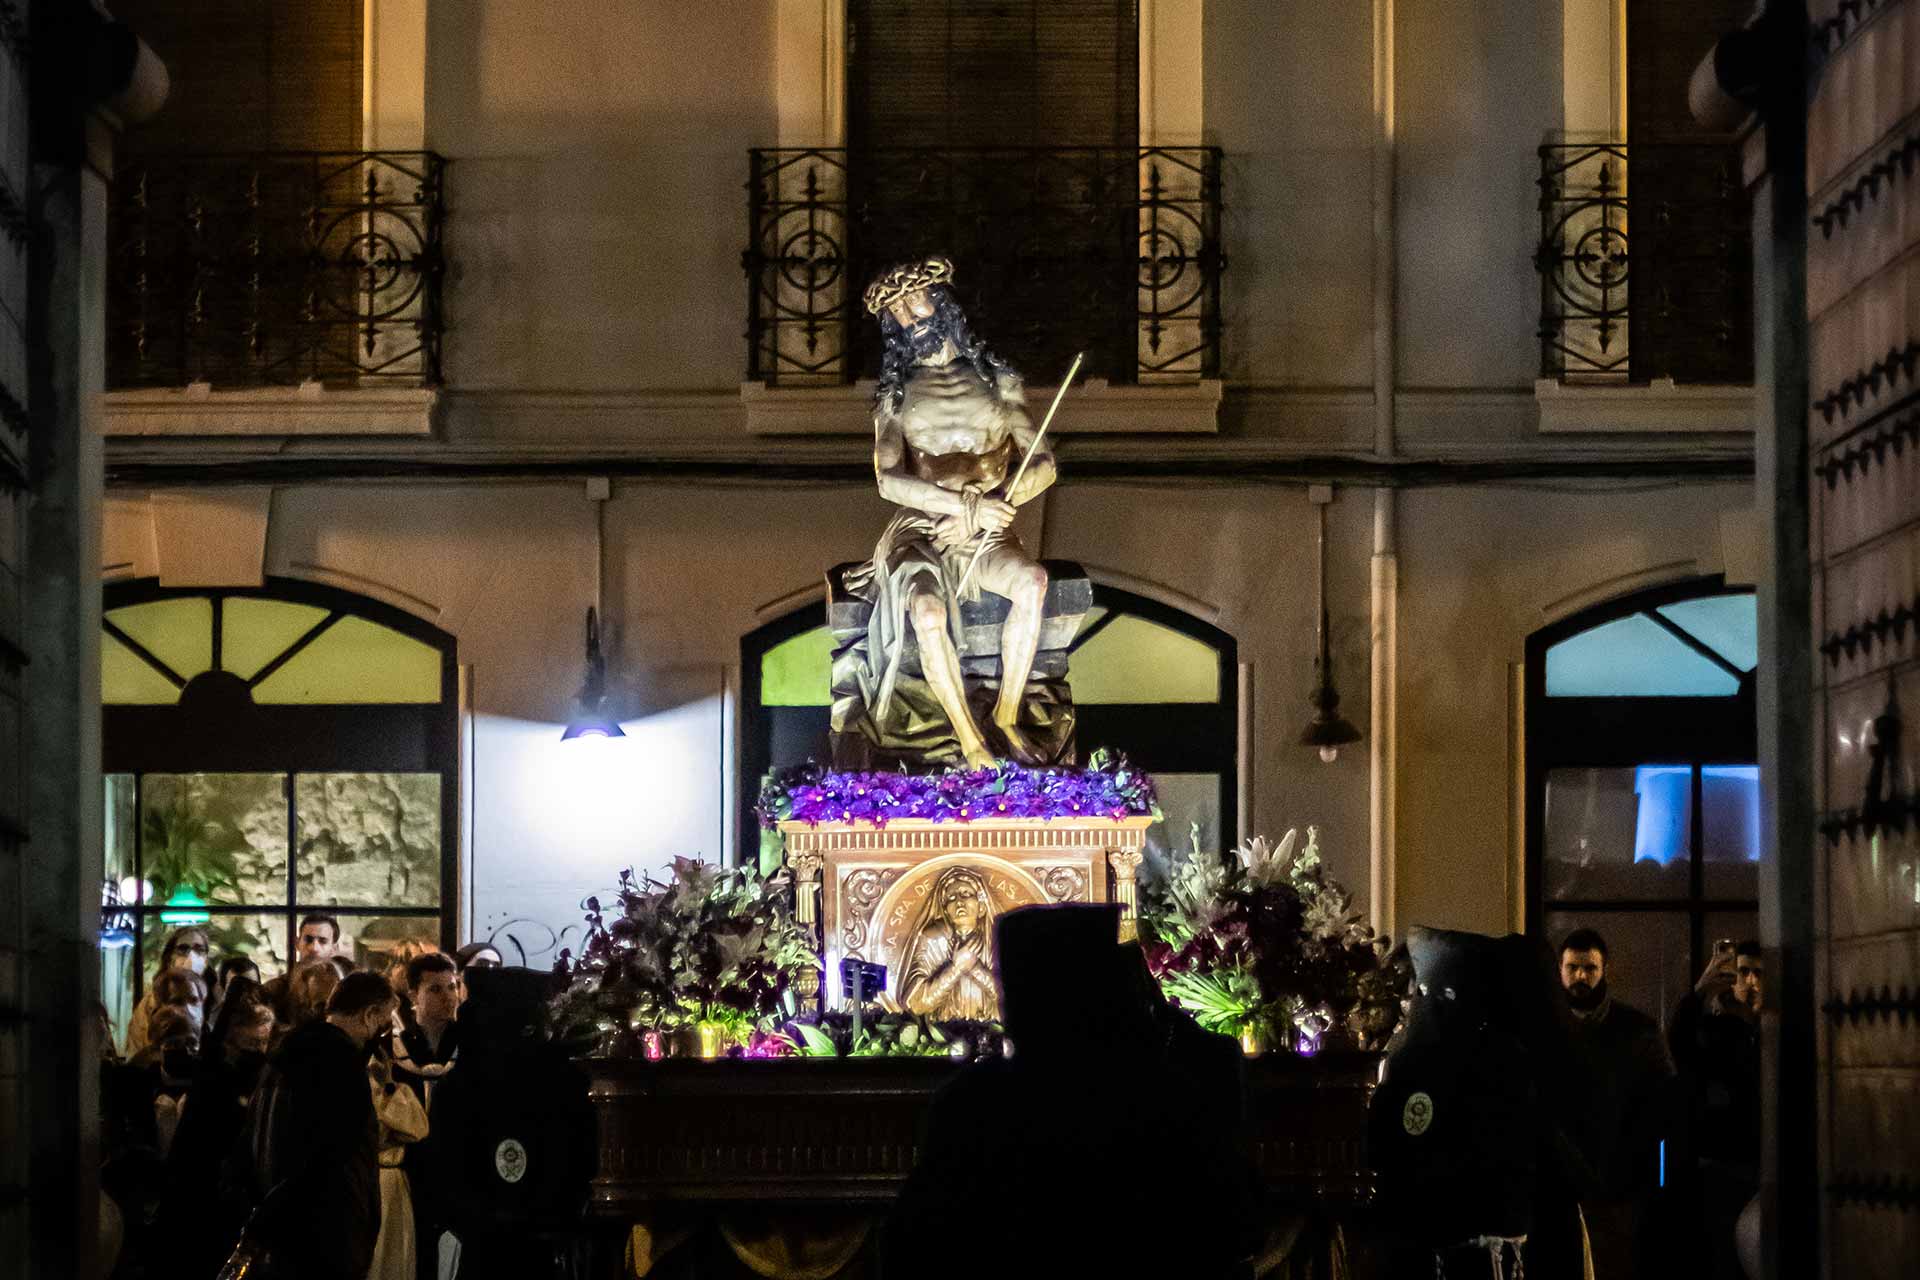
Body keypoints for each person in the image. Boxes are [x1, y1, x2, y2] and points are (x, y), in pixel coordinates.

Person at [886, 903, 1260, 1279]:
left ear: (1024, 1002)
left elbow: (910, 1248)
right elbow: (1236, 1229)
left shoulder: (974, 1104)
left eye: (1006, 986)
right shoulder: (1165, 1096)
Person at [847, 257, 1058, 767]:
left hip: (987, 529)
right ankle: (969, 739)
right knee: (926, 610)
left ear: (943, 303)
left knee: (1032, 582)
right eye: (896, 310)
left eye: (915, 299)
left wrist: (1003, 502)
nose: (908, 315)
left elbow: (1045, 464)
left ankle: (1007, 714)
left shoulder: (998, 383)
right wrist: (964, 508)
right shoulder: (894, 400)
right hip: (924, 531)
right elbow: (888, 480)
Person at [231, 970, 397, 1280]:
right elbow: (333, 1154)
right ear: (369, 1015)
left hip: (283, 1229)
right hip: (328, 1231)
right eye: (384, 1021)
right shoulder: (342, 1063)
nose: (383, 1032)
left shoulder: (281, 1059)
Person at [1557, 928, 1676, 1278]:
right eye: (1573, 968)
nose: (1581, 976)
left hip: (1618, 1184)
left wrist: (1646, 1170)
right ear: (1560, 970)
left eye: (1589, 969)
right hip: (1566, 1182)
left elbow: (1665, 1106)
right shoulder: (1547, 1028)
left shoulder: (1638, 1031)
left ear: (1604, 970)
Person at [164, 980, 276, 1277]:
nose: (260, 1051)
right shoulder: (216, 1076)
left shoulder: (259, 1074)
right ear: (234, 1039)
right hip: (206, 1187)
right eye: (253, 1044)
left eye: (265, 1043)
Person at [1668, 940, 1762, 1280]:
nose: (1750, 981)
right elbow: (1678, 1044)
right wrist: (1699, 992)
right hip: (1724, 1166)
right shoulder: (1718, 1032)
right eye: (1744, 972)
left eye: (1758, 973)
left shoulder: (1773, 1031)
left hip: (1761, 1164)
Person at [123, 924, 211, 1055]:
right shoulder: (151, 1003)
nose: (191, 955)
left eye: (199, 949)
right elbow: (138, 1049)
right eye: (183, 948)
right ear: (170, 957)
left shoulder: (216, 998)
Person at [262, 913, 343, 1019]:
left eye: (323, 941)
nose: (314, 948)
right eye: (308, 940)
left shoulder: (344, 992)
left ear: (334, 949)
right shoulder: (274, 989)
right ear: (297, 943)